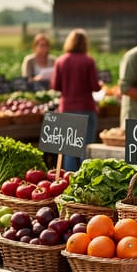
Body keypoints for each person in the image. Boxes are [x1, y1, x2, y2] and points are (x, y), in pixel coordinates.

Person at [51, 28, 103, 172]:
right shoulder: (88, 61)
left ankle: (69, 180)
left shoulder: (60, 61)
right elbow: (95, 87)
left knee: (69, 149)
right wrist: (100, 85)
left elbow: (55, 86)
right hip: (86, 107)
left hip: (67, 107)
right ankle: (85, 181)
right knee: (85, 149)